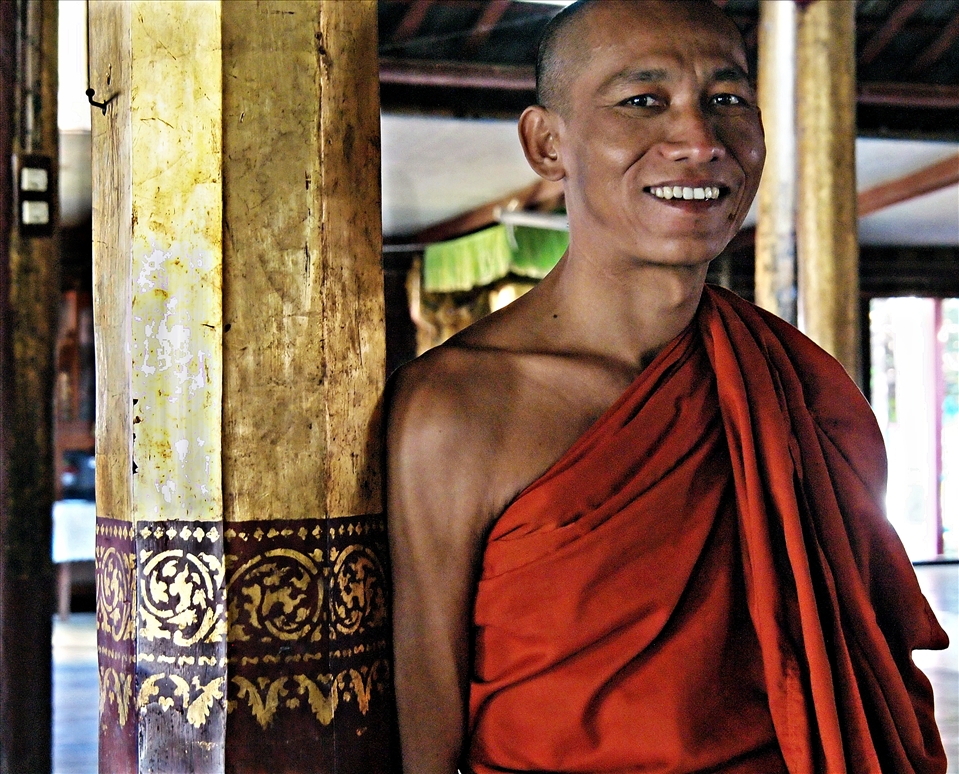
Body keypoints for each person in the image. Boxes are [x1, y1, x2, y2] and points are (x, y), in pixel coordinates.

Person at [386, 1, 949, 772]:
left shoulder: (791, 386)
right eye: (642, 102)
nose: (698, 140)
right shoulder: (460, 407)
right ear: (547, 144)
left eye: (726, 101)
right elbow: (421, 730)